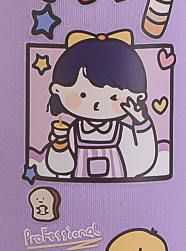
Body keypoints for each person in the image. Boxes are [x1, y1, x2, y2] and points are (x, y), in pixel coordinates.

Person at [45, 30, 156, 180]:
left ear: (138, 96)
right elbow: (60, 168)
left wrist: (141, 123)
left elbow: (143, 163)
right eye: (83, 95)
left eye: (114, 97)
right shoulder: (73, 132)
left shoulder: (122, 132)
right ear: (58, 90)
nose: (97, 104)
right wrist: (60, 144)